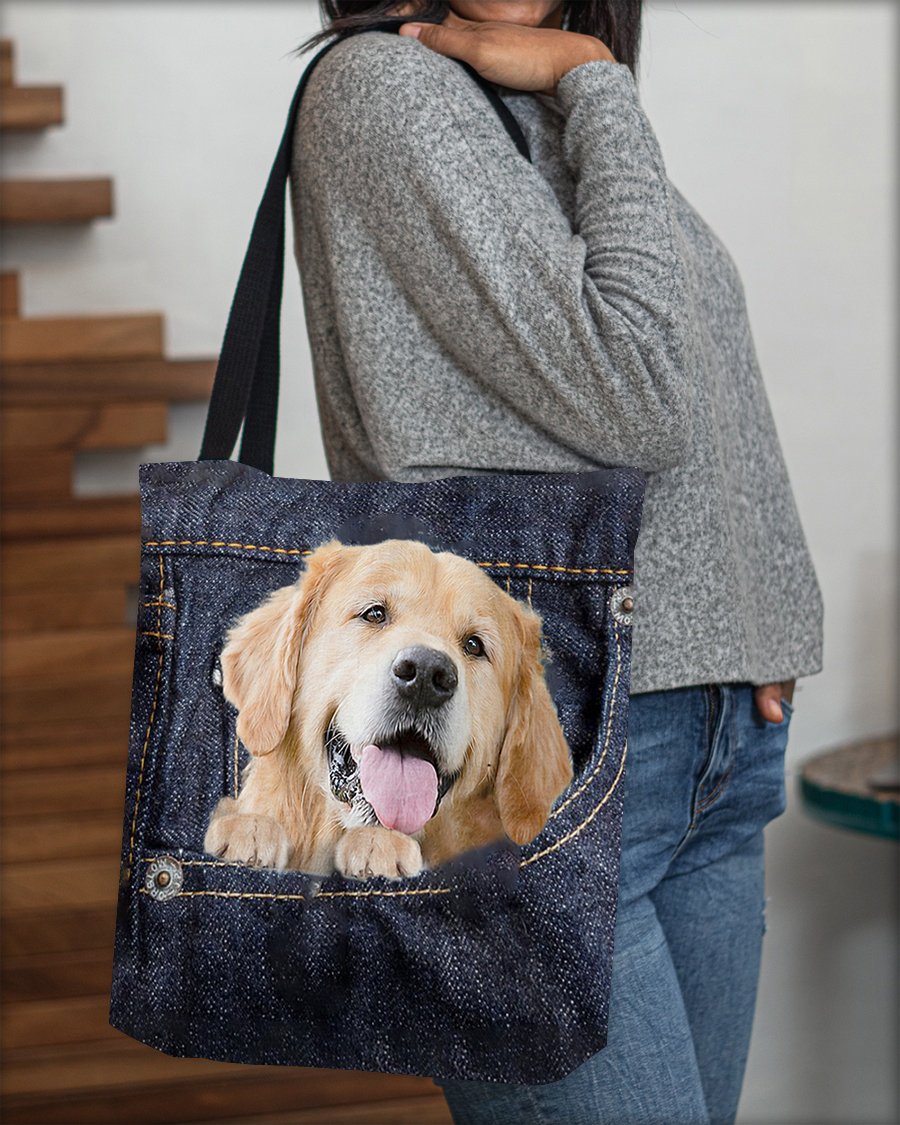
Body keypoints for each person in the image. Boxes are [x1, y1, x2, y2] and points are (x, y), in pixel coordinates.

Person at [288, 2, 824, 1122]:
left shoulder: (534, 97)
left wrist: (752, 630)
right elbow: (641, 391)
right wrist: (598, 77)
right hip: (548, 764)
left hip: (706, 750)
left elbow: (703, 367)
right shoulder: (389, 90)